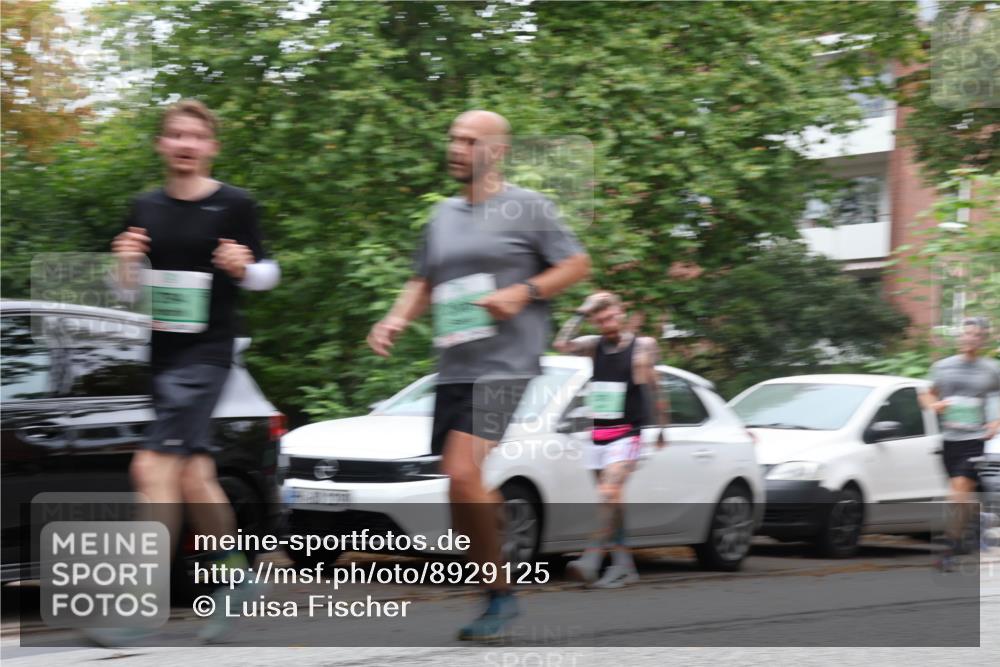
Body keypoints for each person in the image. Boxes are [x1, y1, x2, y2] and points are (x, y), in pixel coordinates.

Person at [367, 110, 590, 641]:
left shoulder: (528, 206)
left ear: (498, 151)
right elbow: (422, 279)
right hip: (455, 363)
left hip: (508, 364)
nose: (457, 148)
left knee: (464, 474)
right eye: (453, 138)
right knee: (459, 485)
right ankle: (497, 589)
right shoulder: (442, 215)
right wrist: (397, 317)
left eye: (470, 141)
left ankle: (501, 589)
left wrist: (524, 292)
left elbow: (576, 265)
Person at [108, 99, 280, 643]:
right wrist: (124, 265)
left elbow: (269, 274)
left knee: (150, 470)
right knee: (192, 476)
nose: (185, 144)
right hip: (161, 356)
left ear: (211, 147)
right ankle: (237, 579)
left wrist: (245, 268)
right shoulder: (143, 207)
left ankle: (137, 605)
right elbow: (123, 294)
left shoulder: (234, 204)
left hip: (208, 354)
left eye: (195, 136)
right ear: (162, 144)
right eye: (175, 135)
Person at [553, 292, 668, 587]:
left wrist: (663, 427)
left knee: (607, 492)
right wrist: (581, 311)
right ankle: (623, 565)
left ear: (621, 311)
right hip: (599, 434)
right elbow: (561, 344)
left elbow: (656, 386)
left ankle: (591, 558)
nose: (607, 323)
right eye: (600, 319)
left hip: (629, 433)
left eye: (610, 316)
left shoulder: (643, 346)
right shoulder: (594, 345)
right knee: (612, 502)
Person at [920, 316, 1000, 570]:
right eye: (966, 334)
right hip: (950, 440)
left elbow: (998, 398)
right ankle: (975, 526)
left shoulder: (991, 369)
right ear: (959, 337)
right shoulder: (943, 367)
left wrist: (996, 421)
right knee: (961, 498)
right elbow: (927, 393)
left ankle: (949, 549)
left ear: (983, 339)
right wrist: (934, 405)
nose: (970, 338)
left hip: (976, 441)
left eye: (976, 335)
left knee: (957, 494)